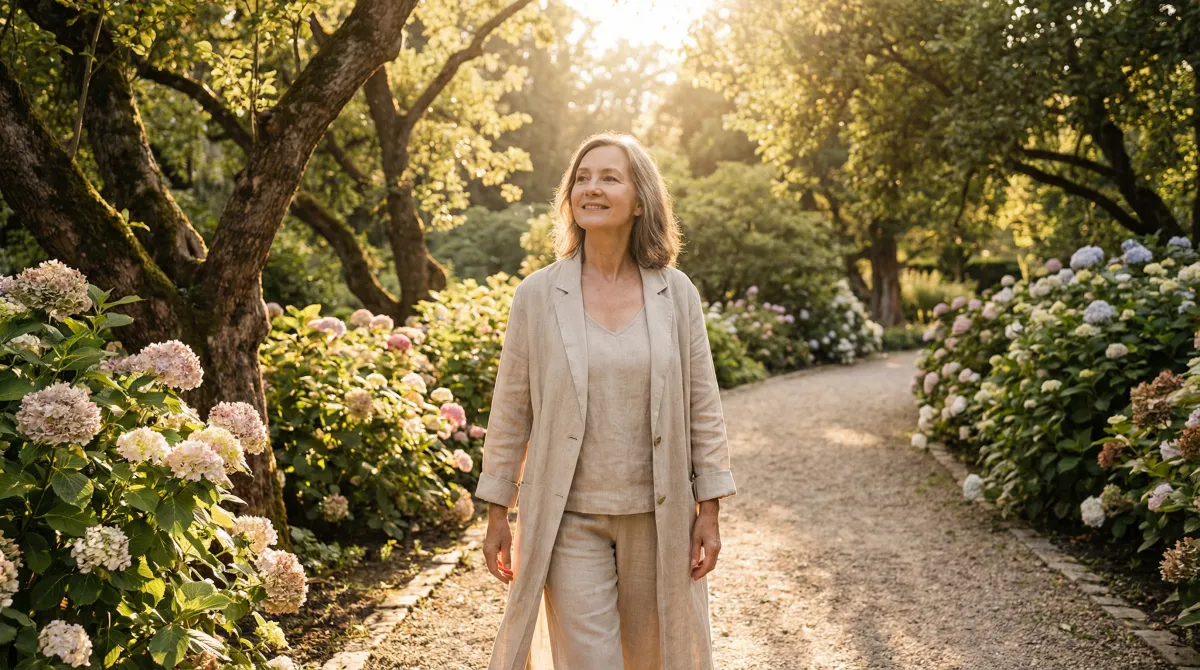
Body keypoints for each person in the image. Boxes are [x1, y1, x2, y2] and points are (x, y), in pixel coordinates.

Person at [475, 132, 737, 670]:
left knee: (653, 659)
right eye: (582, 178)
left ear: (640, 200)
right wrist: (497, 511)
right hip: (568, 517)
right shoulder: (537, 295)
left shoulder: (675, 293)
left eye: (609, 178)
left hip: (659, 516)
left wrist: (709, 509)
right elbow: (511, 411)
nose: (591, 188)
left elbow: (703, 407)